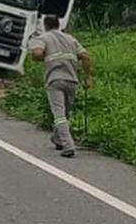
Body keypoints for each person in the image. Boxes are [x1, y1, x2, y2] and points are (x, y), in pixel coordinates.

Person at [28, 15, 90, 158]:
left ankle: (68, 145)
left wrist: (45, 57)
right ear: (58, 25)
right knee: (65, 113)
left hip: (55, 80)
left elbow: (37, 53)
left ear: (45, 25)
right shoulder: (70, 39)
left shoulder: (43, 38)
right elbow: (86, 57)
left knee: (59, 114)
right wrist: (87, 78)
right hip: (71, 80)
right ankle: (57, 138)